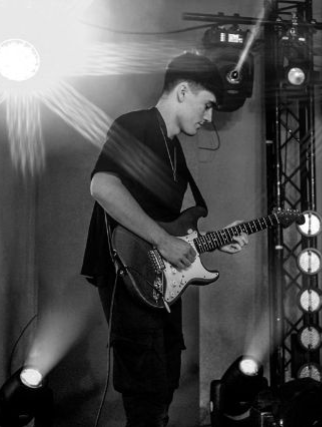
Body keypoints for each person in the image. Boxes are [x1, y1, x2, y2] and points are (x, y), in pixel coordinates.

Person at [81, 52, 249, 427]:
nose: (209, 118)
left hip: (160, 280)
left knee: (164, 382)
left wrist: (212, 240)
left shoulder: (175, 149)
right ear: (183, 91)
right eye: (207, 105)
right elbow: (103, 185)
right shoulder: (136, 124)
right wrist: (162, 241)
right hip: (128, 270)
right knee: (145, 389)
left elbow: (172, 226)